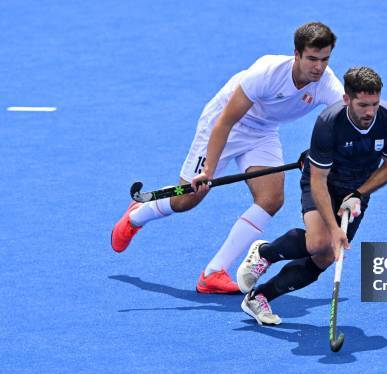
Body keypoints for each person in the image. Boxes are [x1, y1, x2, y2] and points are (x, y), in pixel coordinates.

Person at [111, 22, 344, 294]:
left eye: (325, 59)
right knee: (187, 199)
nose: (318, 67)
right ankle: (136, 216)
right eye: (312, 59)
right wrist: (208, 171)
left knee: (271, 199)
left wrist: (317, 154)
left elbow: (345, 123)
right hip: (225, 124)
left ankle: (213, 273)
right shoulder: (267, 72)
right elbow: (225, 121)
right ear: (296, 54)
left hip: (262, 132)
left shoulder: (326, 83)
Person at [236, 66, 387, 325]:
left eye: (374, 104)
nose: (370, 112)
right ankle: (266, 253)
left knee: (326, 257)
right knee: (319, 242)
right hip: (323, 181)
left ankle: (259, 297)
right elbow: (318, 181)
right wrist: (333, 228)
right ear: (346, 99)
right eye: (363, 105)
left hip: (358, 188)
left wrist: (359, 194)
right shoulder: (329, 124)